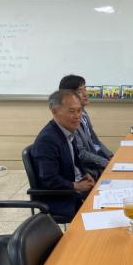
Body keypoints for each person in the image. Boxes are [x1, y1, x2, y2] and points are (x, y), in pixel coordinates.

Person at [31, 89, 96, 220]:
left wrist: (84, 174)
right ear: (54, 111)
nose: (78, 116)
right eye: (72, 111)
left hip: (75, 189)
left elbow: (75, 160)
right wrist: (76, 186)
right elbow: (49, 179)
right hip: (63, 198)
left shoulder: (67, 131)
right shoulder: (48, 140)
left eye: (79, 110)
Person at [59, 74, 113, 177]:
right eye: (79, 91)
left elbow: (95, 141)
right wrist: (105, 162)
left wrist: (110, 156)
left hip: (96, 161)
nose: (85, 94)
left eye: (85, 89)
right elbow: (81, 154)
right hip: (86, 170)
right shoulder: (70, 120)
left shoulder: (83, 114)